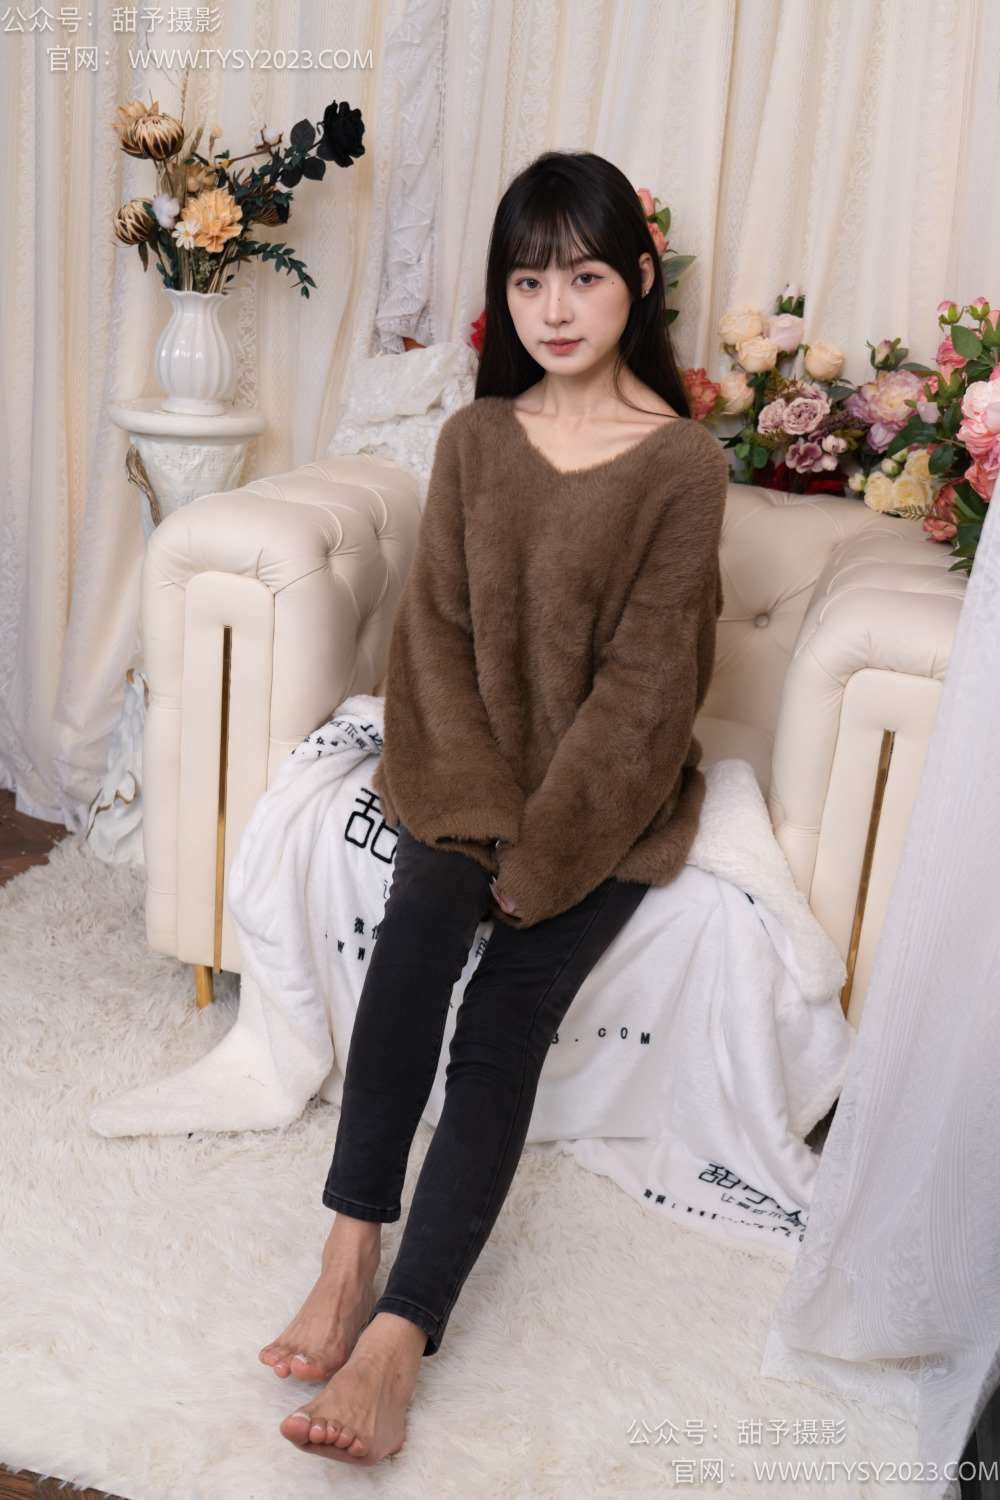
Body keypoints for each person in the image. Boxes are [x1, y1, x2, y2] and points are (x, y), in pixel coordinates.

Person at [259, 149, 729, 1466]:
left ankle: (402, 1335)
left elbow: (648, 695)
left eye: (583, 276)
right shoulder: (473, 441)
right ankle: (349, 1250)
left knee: (507, 1014)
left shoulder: (685, 466)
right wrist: (473, 823)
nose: (555, 308)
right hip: (463, 774)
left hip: (604, 804)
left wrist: (547, 858)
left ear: (640, 279)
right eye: (528, 281)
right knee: (419, 929)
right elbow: (438, 644)